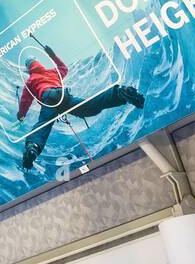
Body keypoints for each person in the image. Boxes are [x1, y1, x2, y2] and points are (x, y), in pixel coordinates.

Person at [16, 43, 144, 170]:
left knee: (43, 124)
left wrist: (21, 115)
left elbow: (25, 101)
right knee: (89, 107)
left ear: (28, 70)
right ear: (38, 64)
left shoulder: (30, 81)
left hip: (48, 98)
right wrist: (52, 55)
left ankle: (33, 148)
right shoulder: (52, 72)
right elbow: (64, 68)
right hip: (63, 95)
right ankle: (118, 94)